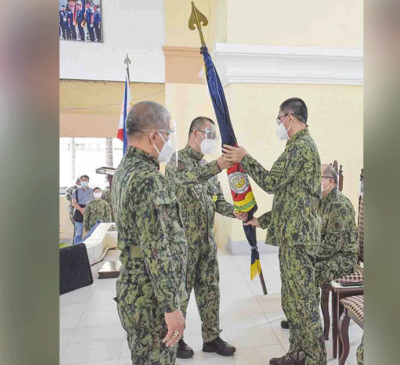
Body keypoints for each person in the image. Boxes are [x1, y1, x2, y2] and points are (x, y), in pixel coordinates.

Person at [223, 97, 325, 365]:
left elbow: (270, 182)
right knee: (292, 304)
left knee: (303, 305)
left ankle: (315, 359)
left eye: (279, 119)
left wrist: (245, 158)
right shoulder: (298, 146)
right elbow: (291, 197)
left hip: (300, 239)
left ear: (290, 118)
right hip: (294, 235)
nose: (279, 124)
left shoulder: (300, 148)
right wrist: (262, 221)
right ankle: (297, 354)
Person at [113, 101, 187, 365]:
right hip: (151, 298)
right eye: (167, 135)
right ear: (155, 136)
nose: (169, 141)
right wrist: (171, 307)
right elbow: (156, 248)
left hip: (134, 287)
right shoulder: (149, 179)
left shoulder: (125, 170)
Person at [165, 117, 243, 359]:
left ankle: (211, 338)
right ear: (195, 133)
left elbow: (217, 201)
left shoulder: (209, 168)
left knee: (210, 291)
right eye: (209, 135)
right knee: (181, 294)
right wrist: (219, 164)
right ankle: (176, 340)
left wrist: (236, 211)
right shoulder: (177, 162)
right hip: (183, 245)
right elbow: (190, 178)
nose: (212, 141)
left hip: (207, 244)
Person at [280, 164, 359, 329]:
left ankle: (307, 320)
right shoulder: (320, 201)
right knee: (295, 264)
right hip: (329, 253)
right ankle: (299, 314)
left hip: (343, 258)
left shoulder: (339, 206)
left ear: (330, 182)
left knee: (310, 271)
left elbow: (332, 245)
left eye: (317, 178)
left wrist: (308, 255)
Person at [71, 175, 93, 244]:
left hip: (89, 212)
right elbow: (74, 203)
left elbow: (94, 201)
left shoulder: (92, 191)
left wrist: (87, 210)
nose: (84, 181)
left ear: (88, 181)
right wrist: (81, 210)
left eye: (85, 180)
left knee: (90, 232)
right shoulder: (76, 191)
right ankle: (76, 248)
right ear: (80, 181)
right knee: (78, 232)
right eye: (82, 180)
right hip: (78, 211)